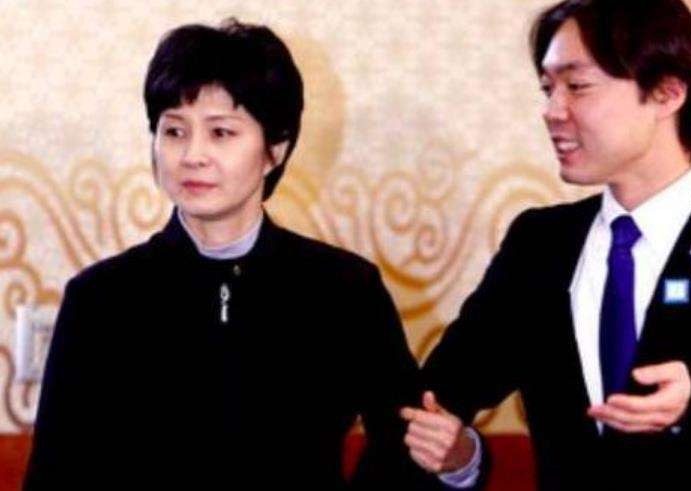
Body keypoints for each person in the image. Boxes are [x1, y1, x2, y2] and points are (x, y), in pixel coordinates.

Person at [401, 0, 691, 489]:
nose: (552, 111)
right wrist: (462, 458)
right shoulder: (540, 244)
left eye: (577, 86)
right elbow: (435, 403)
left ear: (667, 92)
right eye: (548, 89)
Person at [25, 19, 436, 490]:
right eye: (174, 131)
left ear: (275, 148)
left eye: (221, 133)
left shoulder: (345, 289)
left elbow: (408, 447)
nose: (192, 155)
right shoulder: (100, 299)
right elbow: (54, 476)